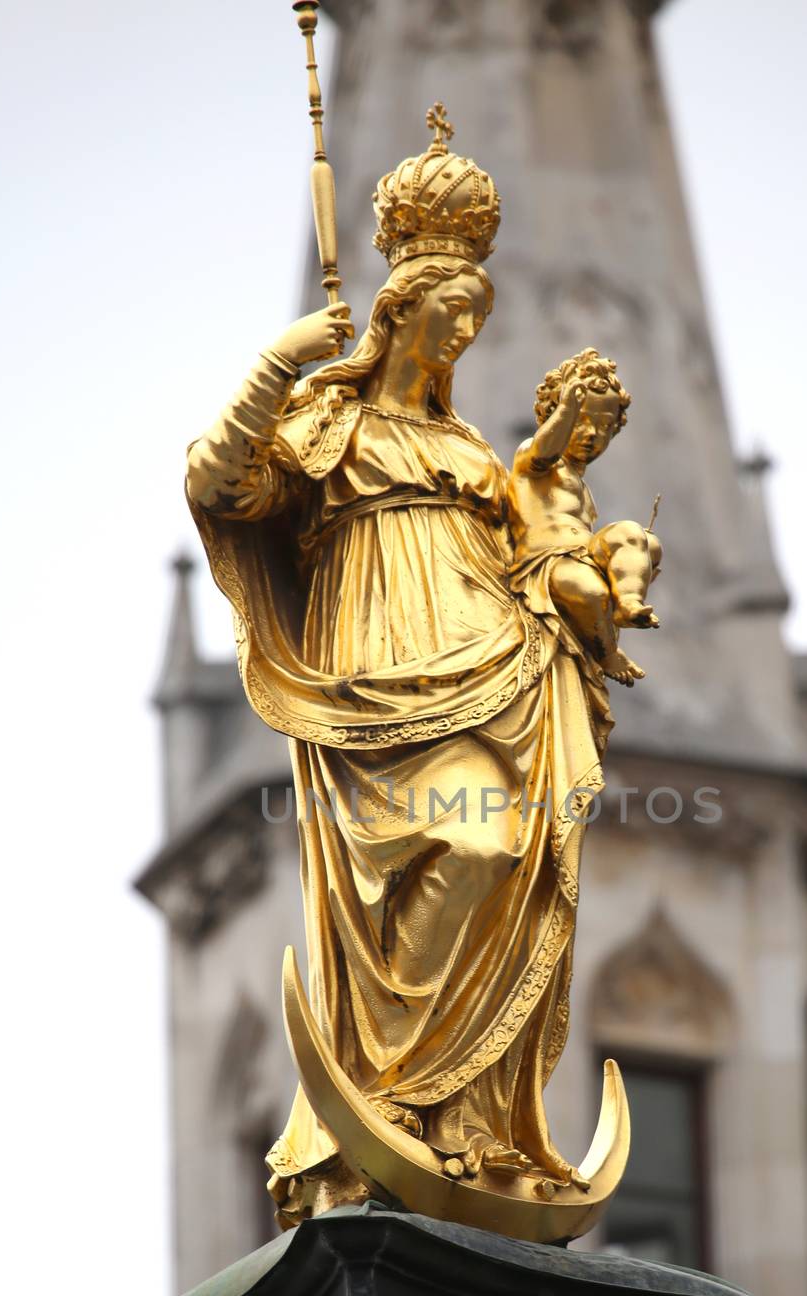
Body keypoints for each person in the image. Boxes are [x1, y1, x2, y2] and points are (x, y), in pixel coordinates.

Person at [185, 112, 612, 1221]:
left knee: (506, 853)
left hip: (489, 660)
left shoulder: (473, 453)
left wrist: (571, 515)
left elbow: (538, 555)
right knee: (460, 838)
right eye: (444, 312)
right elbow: (221, 488)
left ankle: (457, 1119)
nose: (458, 337)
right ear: (394, 311)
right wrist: (283, 361)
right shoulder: (329, 426)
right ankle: (379, 1097)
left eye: (474, 318)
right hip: (373, 669)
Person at [509, 348, 662, 687]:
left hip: (583, 553)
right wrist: (566, 411)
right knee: (590, 591)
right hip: (546, 562)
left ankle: (629, 601)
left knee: (635, 536)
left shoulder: (581, 485)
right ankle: (607, 651)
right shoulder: (534, 459)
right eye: (581, 422)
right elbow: (543, 452)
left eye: (605, 426)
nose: (592, 434)